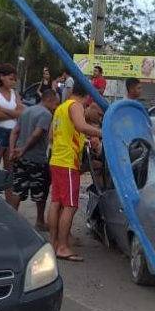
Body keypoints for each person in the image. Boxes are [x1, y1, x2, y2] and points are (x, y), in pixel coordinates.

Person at [49, 83, 102, 262]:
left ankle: (54, 243)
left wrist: (83, 141)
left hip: (56, 159)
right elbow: (81, 125)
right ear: (87, 96)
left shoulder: (61, 108)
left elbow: (52, 136)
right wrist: (102, 133)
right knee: (70, 205)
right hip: (68, 162)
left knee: (56, 203)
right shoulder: (75, 105)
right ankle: (63, 246)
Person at [8, 89, 59, 230]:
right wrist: (24, 148)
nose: (56, 107)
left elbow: (15, 131)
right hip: (37, 159)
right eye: (55, 103)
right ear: (49, 100)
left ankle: (12, 220)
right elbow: (37, 134)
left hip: (20, 157)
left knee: (18, 189)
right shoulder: (46, 114)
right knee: (41, 192)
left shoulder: (26, 111)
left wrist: (13, 150)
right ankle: (40, 221)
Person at [0, 63, 24, 167]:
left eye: (15, 80)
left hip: (13, 132)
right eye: (11, 79)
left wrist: (3, 109)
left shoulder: (15, 93)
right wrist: (14, 114)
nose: (13, 82)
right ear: (1, 77)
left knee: (10, 167)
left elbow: (21, 113)